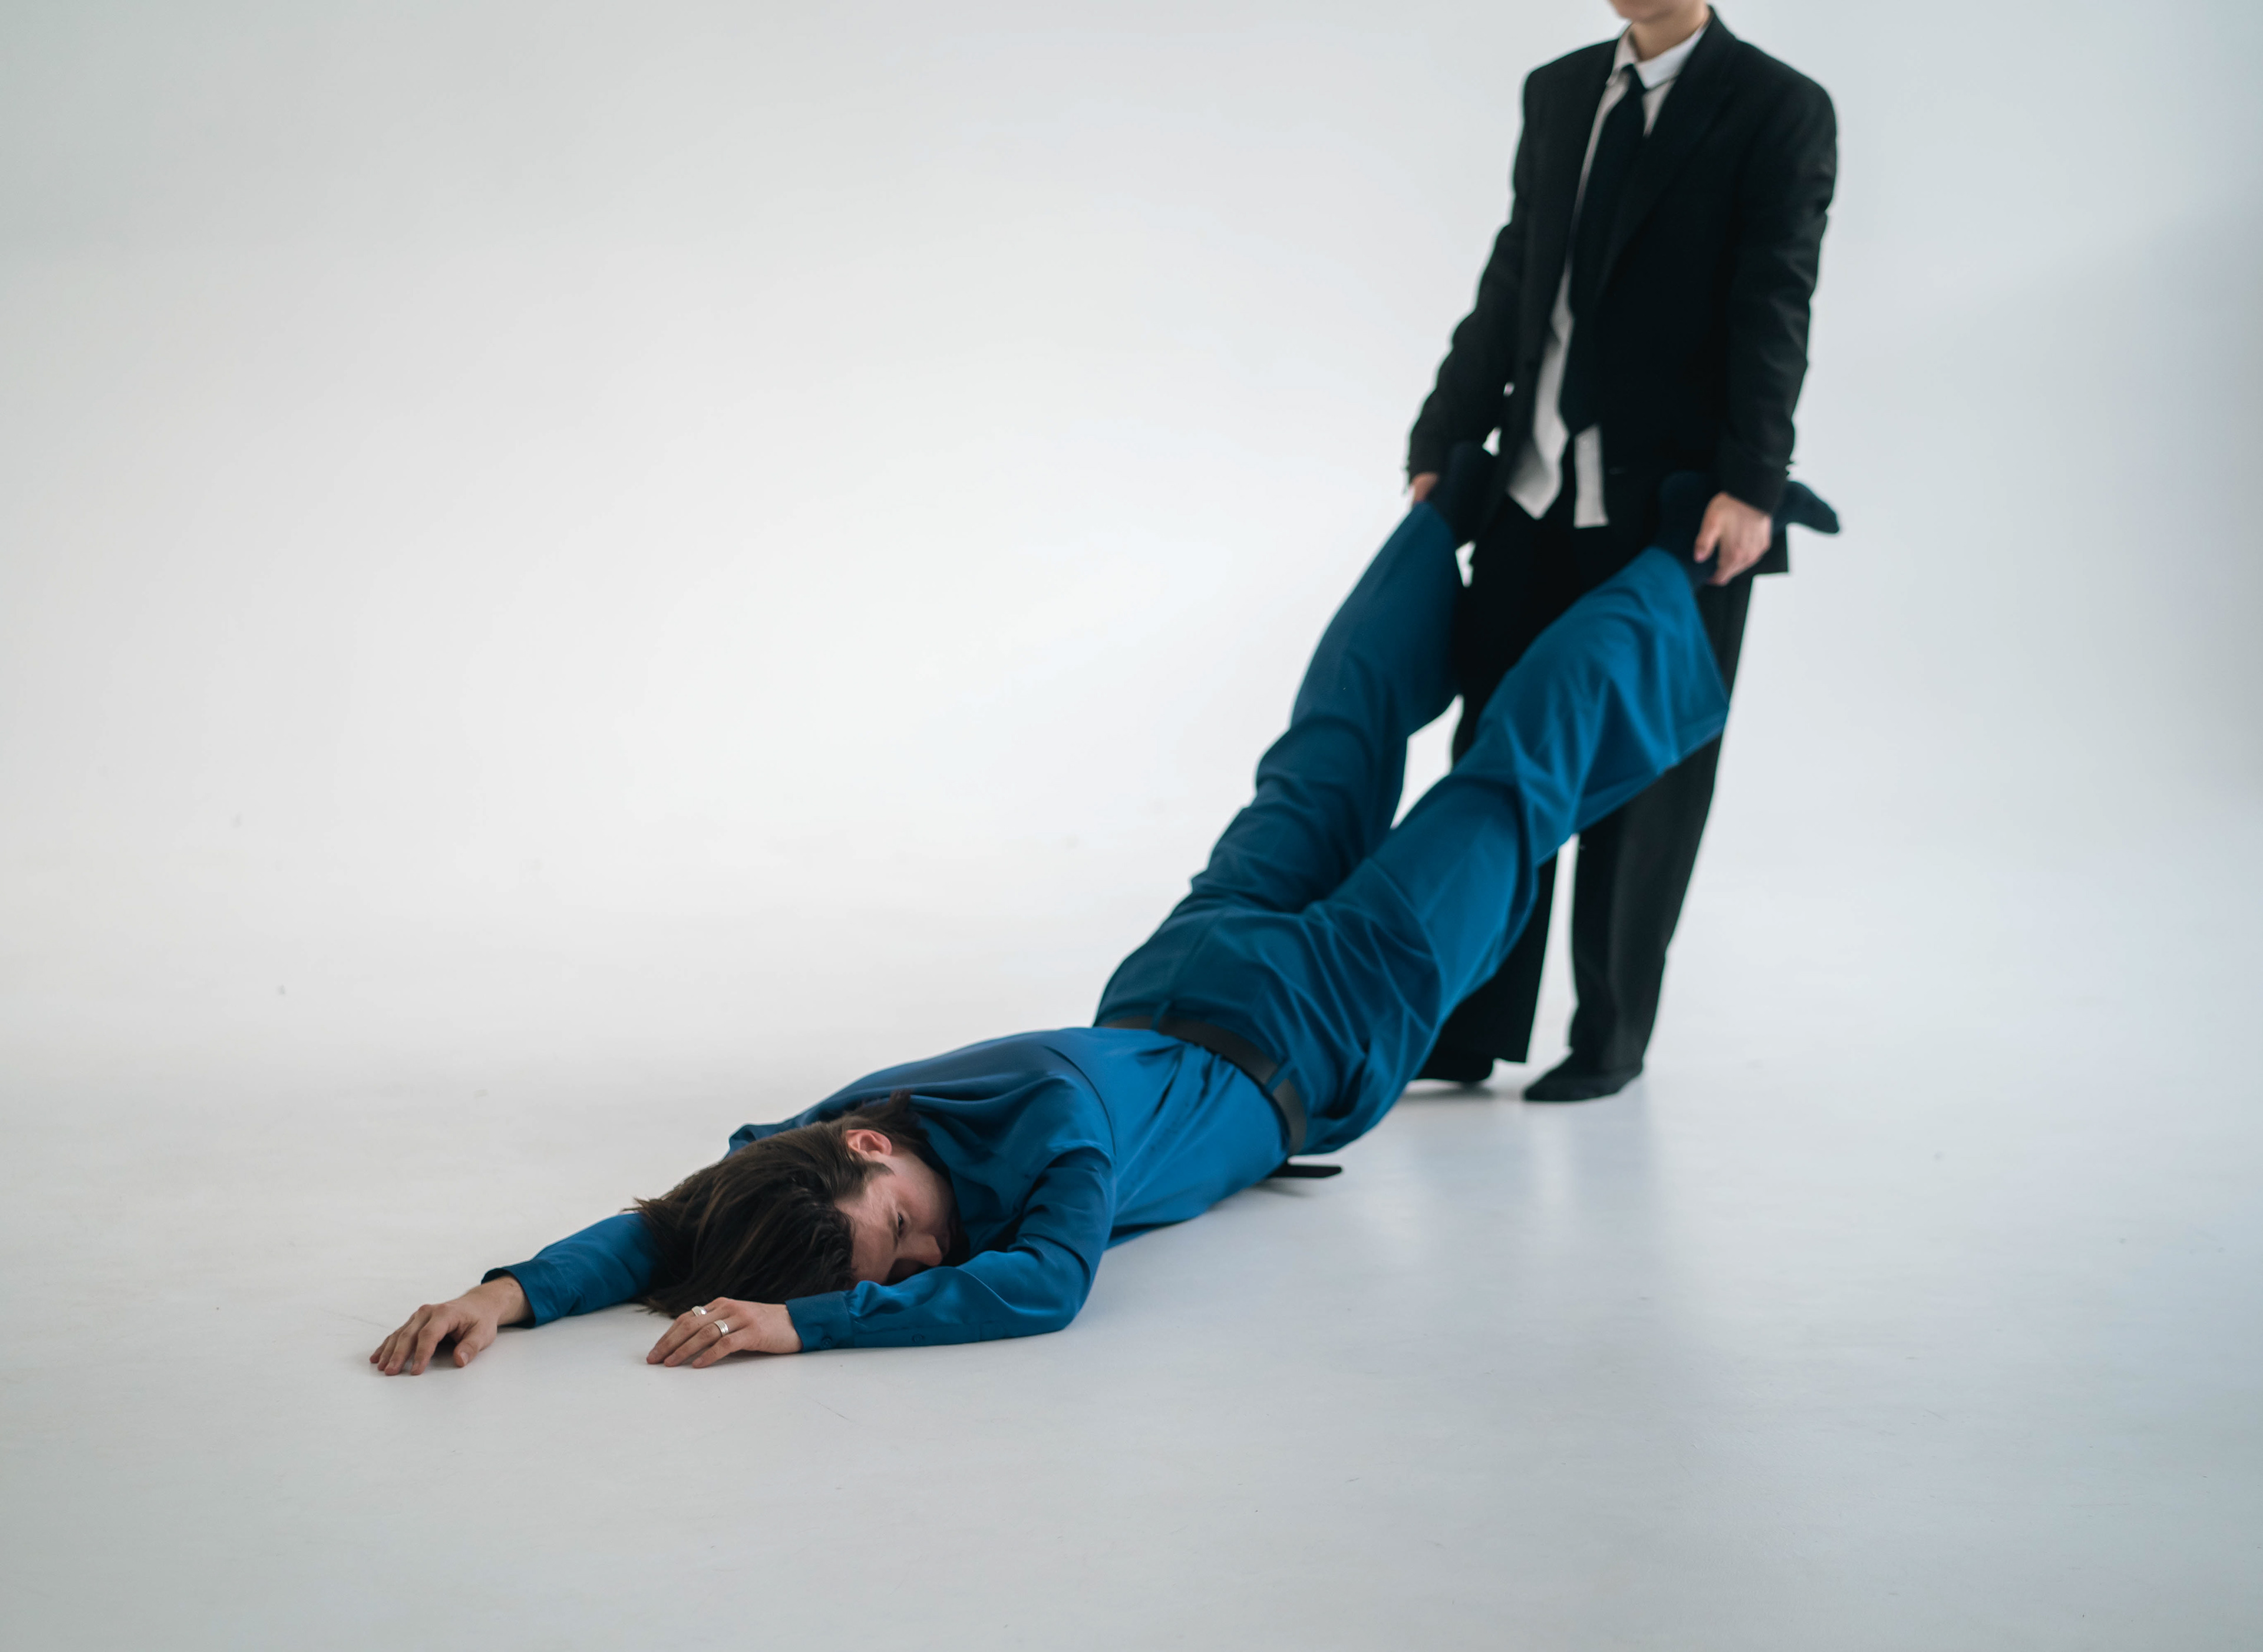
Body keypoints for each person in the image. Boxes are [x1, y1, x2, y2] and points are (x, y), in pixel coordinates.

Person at [370, 462, 1834, 1375]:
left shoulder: (1060, 1145)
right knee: (1332, 751)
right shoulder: (840, 1129)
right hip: (1193, 967)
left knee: (1508, 789)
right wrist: (505, 1295)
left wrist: (808, 1326)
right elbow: (671, 1225)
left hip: (1321, 1018)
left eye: (901, 1238)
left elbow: (1046, 1290)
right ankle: (1444, 514)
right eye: (903, 1268)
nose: (931, 1260)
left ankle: (1688, 555)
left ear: (872, 1154)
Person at [1405, 0, 1836, 1099]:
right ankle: (1468, 1025)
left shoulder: (1779, 109)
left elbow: (1775, 303)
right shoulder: (1559, 92)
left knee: (1646, 779)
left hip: (1677, 516)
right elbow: (1516, 276)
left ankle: (1610, 1037)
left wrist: (1754, 484)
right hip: (1535, 489)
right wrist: (1447, 433)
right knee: (1496, 755)